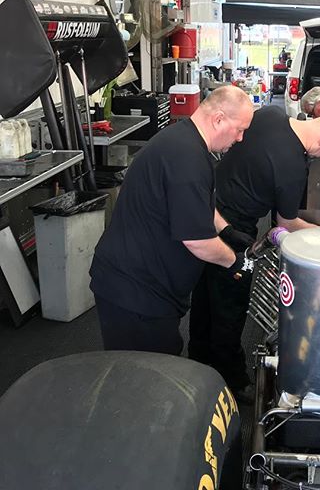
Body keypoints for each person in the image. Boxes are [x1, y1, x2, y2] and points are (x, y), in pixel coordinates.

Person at [188, 105, 320, 401]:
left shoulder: (269, 113)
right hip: (234, 229)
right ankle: (233, 381)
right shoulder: (293, 168)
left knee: (203, 293)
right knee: (231, 303)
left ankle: (197, 360)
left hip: (207, 204)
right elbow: (287, 223)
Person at [89, 86, 255, 356]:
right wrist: (234, 261)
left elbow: (196, 202)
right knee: (147, 376)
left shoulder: (186, 142)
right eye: (240, 129)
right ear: (219, 119)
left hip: (149, 285)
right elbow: (198, 241)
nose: (240, 138)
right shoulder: (187, 159)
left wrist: (227, 230)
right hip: (136, 291)